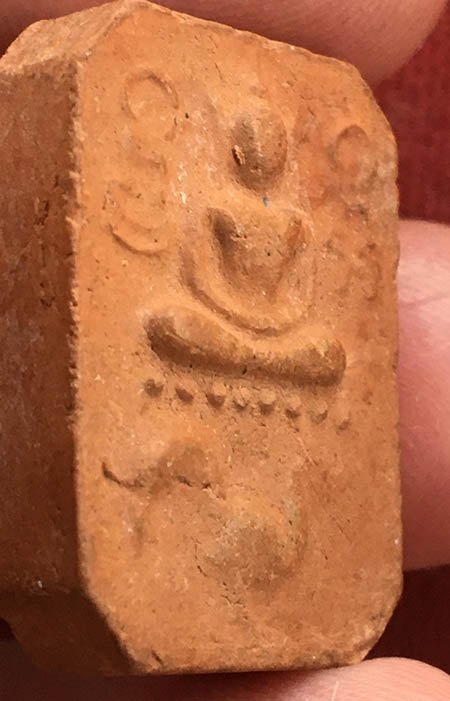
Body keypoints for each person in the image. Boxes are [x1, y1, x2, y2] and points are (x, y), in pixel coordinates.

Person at [1, 1, 449, 698]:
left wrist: (271, 330)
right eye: (252, 141)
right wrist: (233, 324)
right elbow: (202, 283)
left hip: (279, 341)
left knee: (327, 354)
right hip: (212, 329)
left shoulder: (293, 221)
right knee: (171, 324)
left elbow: (301, 299)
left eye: (270, 144)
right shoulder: (214, 210)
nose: (262, 154)